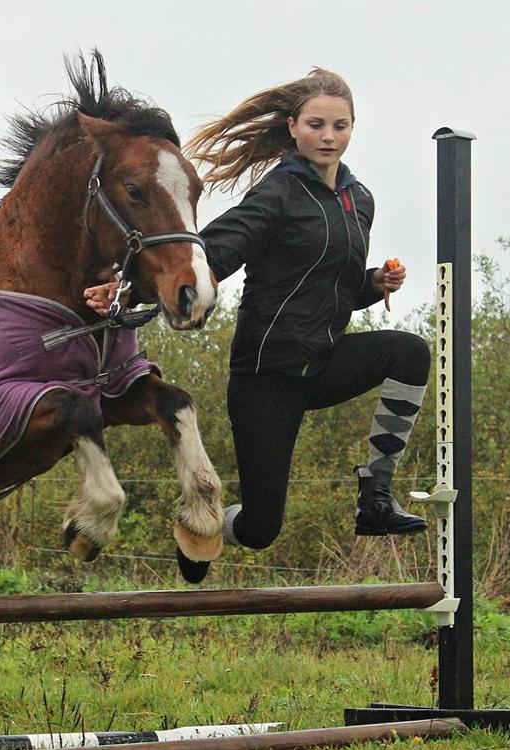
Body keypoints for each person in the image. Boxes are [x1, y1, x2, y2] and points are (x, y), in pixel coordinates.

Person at [85, 68, 429, 576]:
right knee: (261, 528)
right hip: (267, 376)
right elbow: (220, 250)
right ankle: (199, 529)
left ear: (353, 129)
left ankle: (375, 496)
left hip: (325, 360)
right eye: (316, 124)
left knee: (411, 351)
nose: (328, 136)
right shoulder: (279, 194)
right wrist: (131, 287)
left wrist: (374, 282)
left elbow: (337, 288)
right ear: (293, 127)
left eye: (340, 126)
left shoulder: (360, 202)